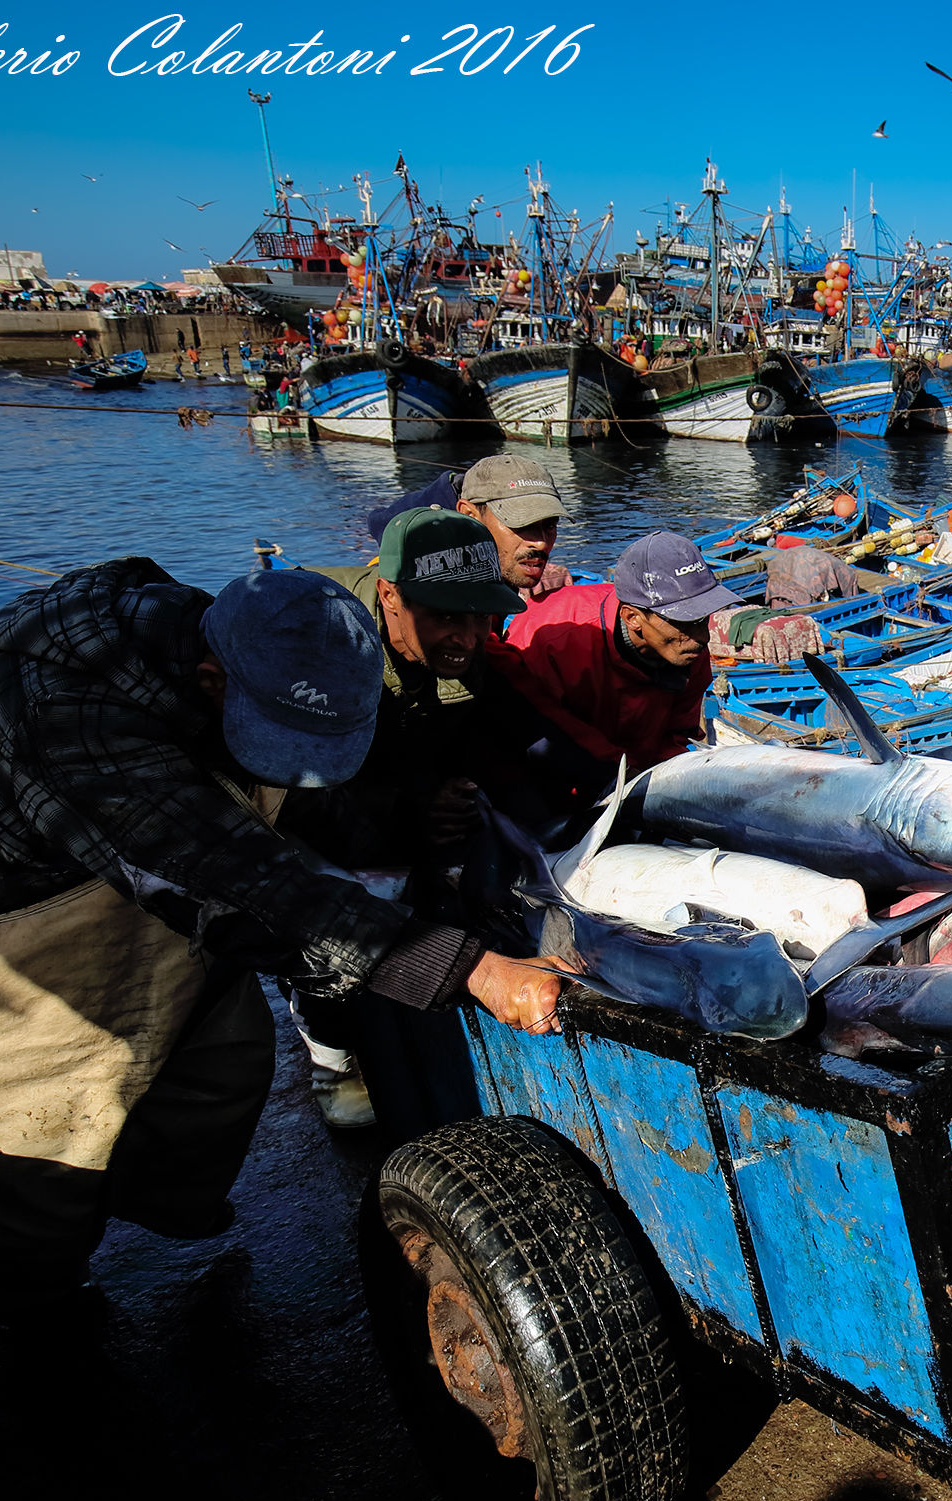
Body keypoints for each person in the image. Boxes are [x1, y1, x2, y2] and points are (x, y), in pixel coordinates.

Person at [0, 562, 569, 1317]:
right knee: (20, 1174)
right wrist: (466, 966)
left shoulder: (223, 637)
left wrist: (404, 832)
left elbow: (306, 806)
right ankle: (40, 1322)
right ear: (212, 682)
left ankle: (150, 1204)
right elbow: (250, 889)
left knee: (217, 1056)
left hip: (103, 895)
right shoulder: (80, 727)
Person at [283, 508, 568, 1132]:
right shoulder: (320, 651)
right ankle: (331, 1051)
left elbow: (517, 735)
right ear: (389, 596)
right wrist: (413, 813)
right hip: (305, 809)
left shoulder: (459, 641)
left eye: (478, 618)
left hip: (395, 786)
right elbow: (294, 797)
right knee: (334, 902)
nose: (466, 637)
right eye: (445, 617)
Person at [491, 531, 742, 808]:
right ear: (633, 618)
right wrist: (614, 776)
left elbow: (676, 735)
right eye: (684, 621)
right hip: (547, 787)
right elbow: (531, 732)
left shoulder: (689, 650)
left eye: (702, 618)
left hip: (631, 783)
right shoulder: (550, 639)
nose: (702, 636)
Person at [364, 455, 571, 598]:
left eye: (551, 526)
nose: (541, 543)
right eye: (522, 524)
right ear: (470, 516)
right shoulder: (421, 580)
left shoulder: (489, 558)